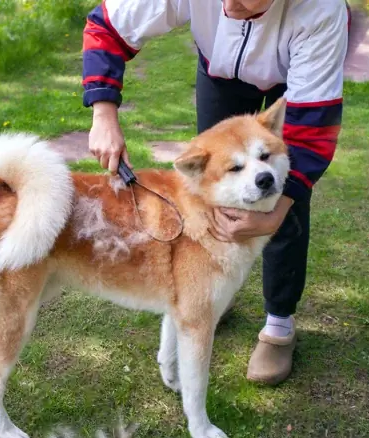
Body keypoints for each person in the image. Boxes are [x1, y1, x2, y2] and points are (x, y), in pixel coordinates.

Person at [81, 0, 349, 385]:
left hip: (293, 79)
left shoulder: (321, 10)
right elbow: (107, 25)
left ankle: (279, 325)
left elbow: (311, 130)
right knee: (215, 190)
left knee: (279, 195)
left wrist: (277, 212)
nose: (229, 5)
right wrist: (103, 113)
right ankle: (208, 293)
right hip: (220, 72)